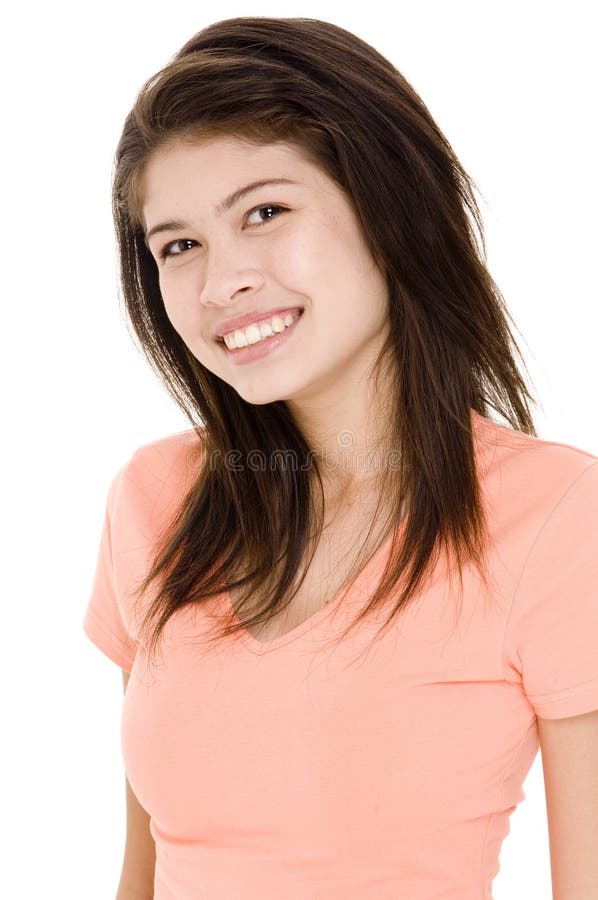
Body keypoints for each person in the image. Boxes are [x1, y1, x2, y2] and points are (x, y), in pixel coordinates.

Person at [83, 16, 598, 900]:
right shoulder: (157, 497)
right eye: (179, 245)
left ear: (391, 209)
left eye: (266, 212)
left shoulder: (556, 514)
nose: (220, 282)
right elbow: (147, 874)